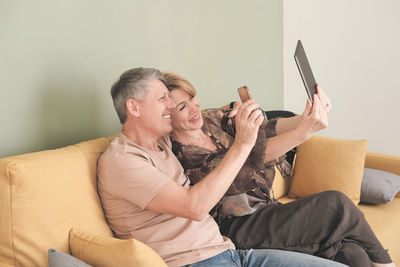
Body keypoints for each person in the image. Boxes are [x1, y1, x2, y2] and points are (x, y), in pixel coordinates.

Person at [97, 67, 347, 267]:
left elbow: (202, 115)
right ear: (133, 107)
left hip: (230, 252)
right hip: (195, 262)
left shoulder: (161, 141)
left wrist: (236, 108)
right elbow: (194, 207)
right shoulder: (123, 161)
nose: (171, 106)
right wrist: (243, 143)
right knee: (335, 210)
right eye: (163, 99)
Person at [164, 71, 396, 267]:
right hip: (237, 226)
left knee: (352, 252)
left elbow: (266, 128)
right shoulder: (181, 155)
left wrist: (305, 118)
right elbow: (244, 168)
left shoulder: (211, 119)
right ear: (167, 116)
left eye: (193, 98)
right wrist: (303, 132)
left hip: (268, 211)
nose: (194, 109)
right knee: (336, 205)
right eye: (183, 107)